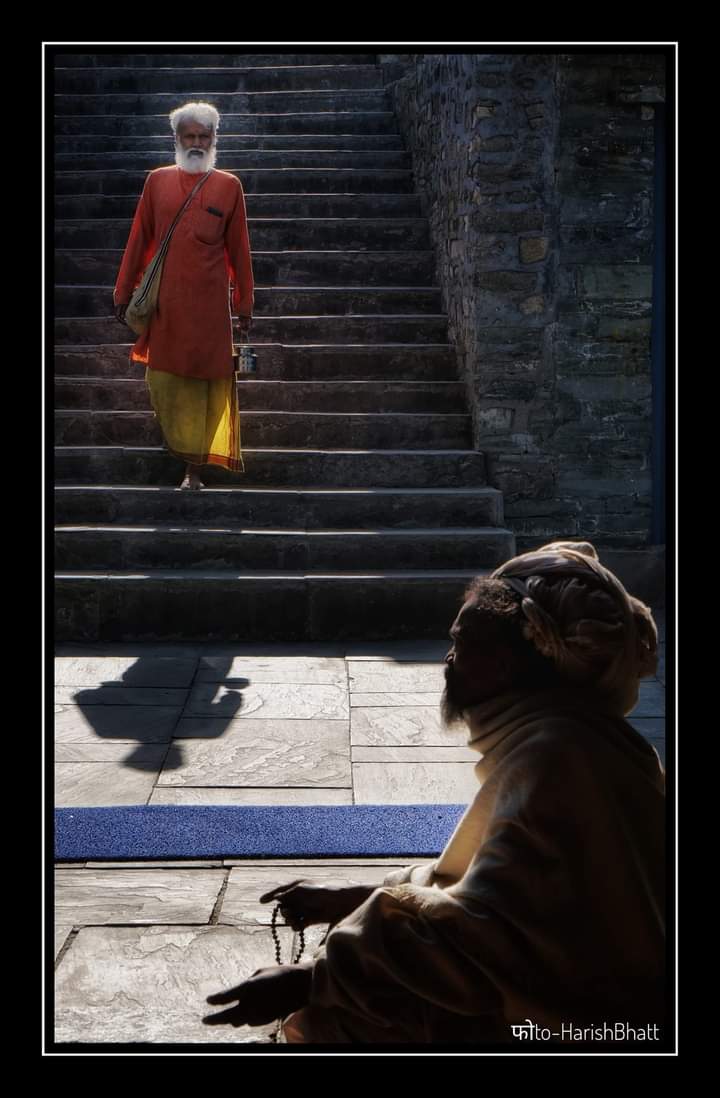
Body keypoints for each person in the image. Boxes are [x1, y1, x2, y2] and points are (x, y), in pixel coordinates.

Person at [203, 541, 665, 1045]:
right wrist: (356, 898)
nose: (448, 658)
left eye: (464, 642)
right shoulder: (573, 737)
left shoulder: (557, 758)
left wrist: (312, 979)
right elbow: (501, 891)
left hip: (596, 1029)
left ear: (516, 661)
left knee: (345, 1019)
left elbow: (493, 943)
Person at [113, 102, 254, 490]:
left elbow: (240, 251)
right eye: (189, 136)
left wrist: (244, 303)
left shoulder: (229, 186)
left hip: (210, 309)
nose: (196, 143)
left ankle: (193, 470)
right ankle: (177, 448)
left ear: (213, 140)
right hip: (167, 306)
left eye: (203, 137)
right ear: (176, 139)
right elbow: (139, 238)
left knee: (205, 385)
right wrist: (123, 290)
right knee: (164, 380)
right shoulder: (156, 181)